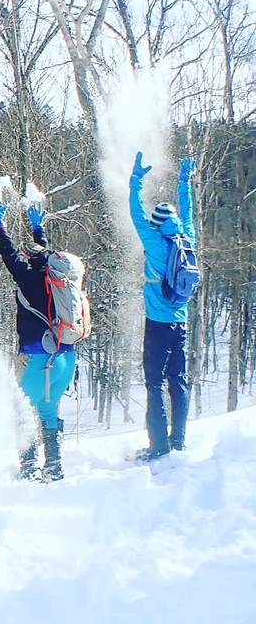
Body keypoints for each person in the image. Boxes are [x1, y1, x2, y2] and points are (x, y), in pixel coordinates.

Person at [0, 194, 88, 482]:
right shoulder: (60, 280)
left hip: (39, 359)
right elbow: (42, 252)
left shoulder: (27, 277)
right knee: (48, 411)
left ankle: (29, 468)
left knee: (25, 412)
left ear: (31, 260)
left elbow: (8, 253)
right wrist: (37, 227)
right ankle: (54, 467)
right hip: (66, 359)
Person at [130, 152, 199, 459]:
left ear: (156, 225)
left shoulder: (154, 241)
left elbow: (135, 212)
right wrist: (185, 180)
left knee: (154, 382)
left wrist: (135, 182)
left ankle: (158, 446)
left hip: (157, 324)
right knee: (178, 380)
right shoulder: (188, 238)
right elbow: (189, 212)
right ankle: (179, 440)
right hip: (181, 321)